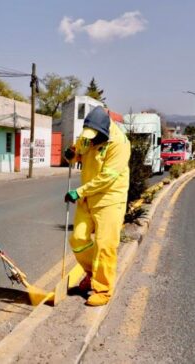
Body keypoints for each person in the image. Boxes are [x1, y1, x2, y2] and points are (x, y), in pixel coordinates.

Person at [64, 106, 130, 306]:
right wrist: (72, 153)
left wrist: (79, 192)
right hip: (88, 198)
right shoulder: (87, 136)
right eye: (88, 137)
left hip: (109, 199)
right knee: (78, 239)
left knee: (104, 245)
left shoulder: (119, 143)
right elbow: (77, 152)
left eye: (94, 137)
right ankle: (92, 273)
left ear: (104, 130)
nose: (90, 141)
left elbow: (107, 177)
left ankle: (102, 289)